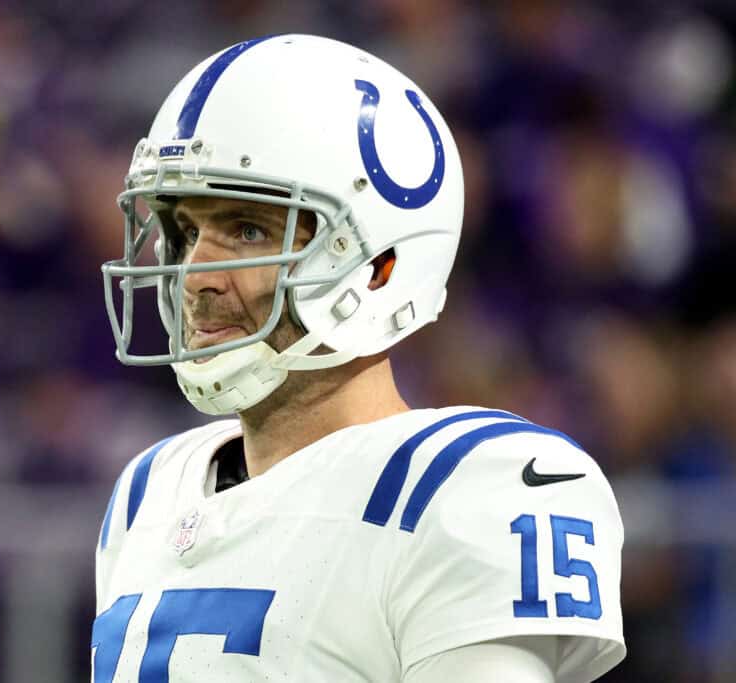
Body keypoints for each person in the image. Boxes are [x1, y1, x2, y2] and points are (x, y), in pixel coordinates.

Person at [94, 34, 625, 682]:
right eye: (184, 231)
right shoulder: (149, 490)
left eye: (249, 230)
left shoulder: (466, 486)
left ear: (377, 266)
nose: (195, 273)